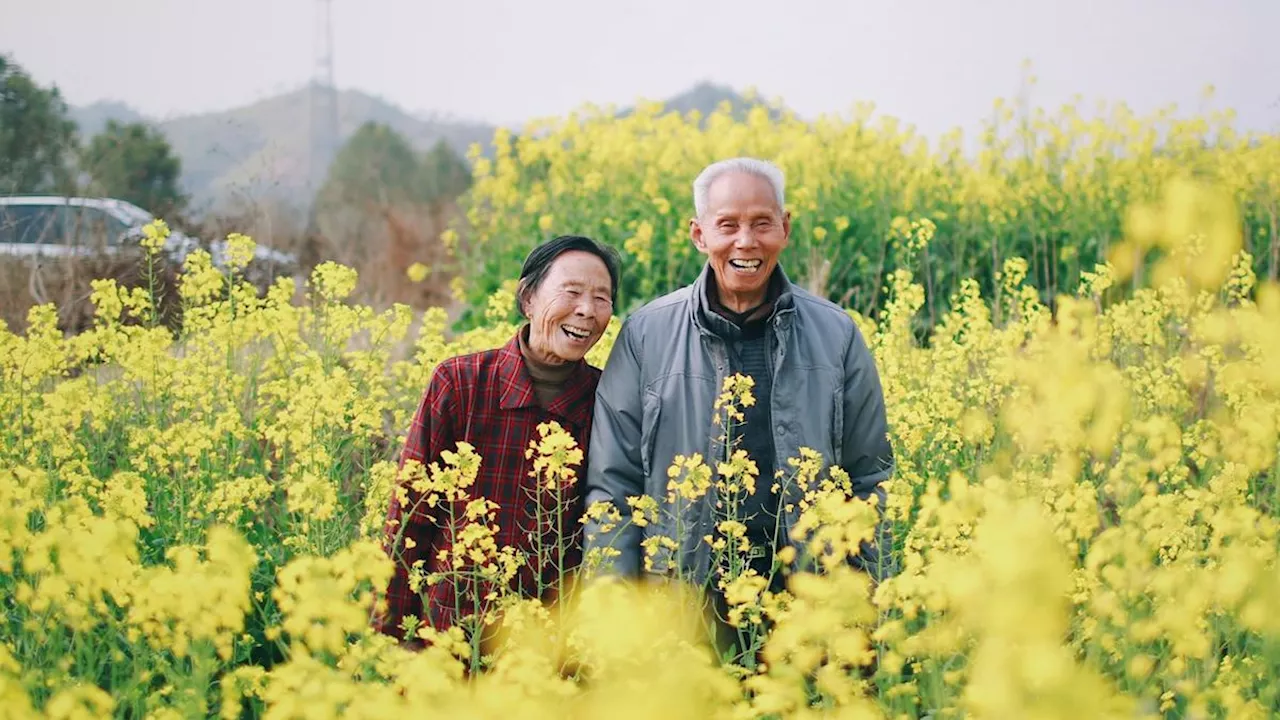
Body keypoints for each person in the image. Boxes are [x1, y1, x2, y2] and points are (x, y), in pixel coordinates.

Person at [581, 157, 894, 651]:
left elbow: (870, 476)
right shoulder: (646, 333)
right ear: (699, 235)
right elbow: (613, 484)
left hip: (808, 599)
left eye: (762, 223)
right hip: (683, 600)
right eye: (727, 225)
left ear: (785, 228)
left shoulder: (837, 334)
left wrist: (872, 600)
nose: (745, 242)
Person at [375, 234, 621, 645]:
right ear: (527, 299)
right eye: (572, 292)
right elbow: (409, 517)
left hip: (547, 652)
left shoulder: (609, 399)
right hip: (448, 637)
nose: (586, 310)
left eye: (602, 298)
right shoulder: (460, 383)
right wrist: (390, 637)